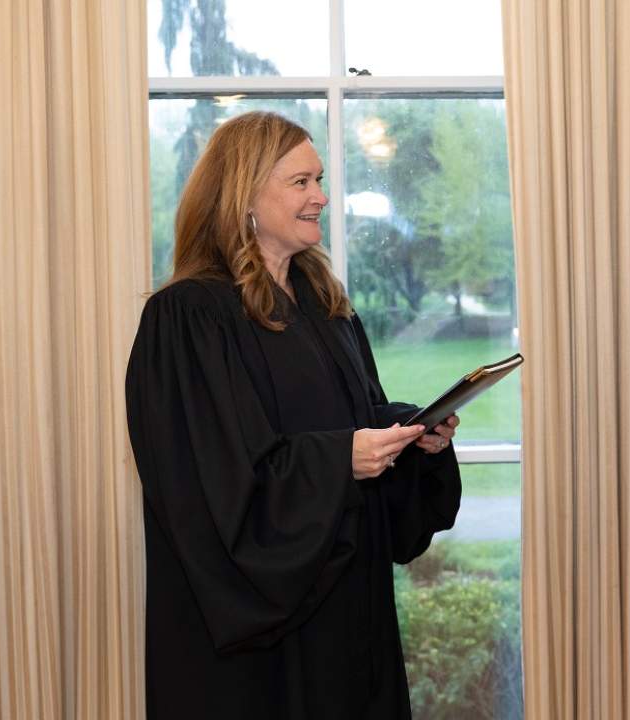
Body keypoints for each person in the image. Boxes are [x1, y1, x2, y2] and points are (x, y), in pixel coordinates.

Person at [125, 110, 462, 719]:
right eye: (301, 183)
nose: (322, 197)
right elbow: (210, 485)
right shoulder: (188, 319)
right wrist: (341, 460)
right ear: (244, 194)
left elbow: (351, 416)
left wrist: (413, 433)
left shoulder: (326, 306)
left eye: (321, 180)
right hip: (256, 646)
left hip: (346, 615)